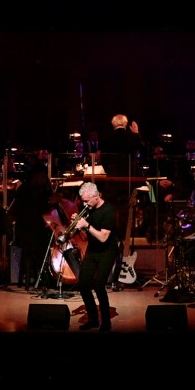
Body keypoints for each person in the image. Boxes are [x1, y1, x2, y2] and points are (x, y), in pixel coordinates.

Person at [98, 114, 145, 291]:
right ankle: (121, 251)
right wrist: (137, 133)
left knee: (112, 217)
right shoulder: (131, 138)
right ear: (126, 125)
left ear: (113, 125)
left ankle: (112, 249)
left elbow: (103, 160)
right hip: (128, 184)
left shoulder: (107, 139)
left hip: (112, 184)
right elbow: (141, 149)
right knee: (126, 219)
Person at [72, 181, 119, 332]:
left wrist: (86, 225)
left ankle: (106, 321)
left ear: (96, 196)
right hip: (93, 250)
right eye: (83, 201)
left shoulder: (109, 211)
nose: (85, 204)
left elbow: (103, 237)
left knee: (99, 285)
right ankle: (92, 319)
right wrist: (77, 224)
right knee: (83, 284)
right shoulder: (87, 207)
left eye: (87, 201)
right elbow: (87, 233)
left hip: (107, 251)